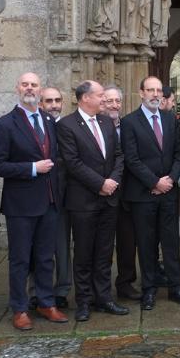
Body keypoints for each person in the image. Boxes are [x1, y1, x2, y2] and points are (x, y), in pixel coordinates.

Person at [0, 73, 68, 330]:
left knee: (46, 257)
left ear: (40, 89)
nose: (30, 88)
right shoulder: (4, 124)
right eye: (25, 84)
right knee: (20, 259)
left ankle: (46, 302)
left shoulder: (49, 120)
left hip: (49, 202)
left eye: (34, 84)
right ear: (17, 88)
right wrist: (32, 168)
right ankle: (20, 308)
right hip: (21, 205)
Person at [57, 80, 128, 321]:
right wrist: (100, 184)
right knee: (84, 253)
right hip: (83, 201)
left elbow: (119, 156)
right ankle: (84, 301)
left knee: (105, 252)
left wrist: (113, 181)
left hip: (109, 199)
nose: (104, 100)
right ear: (85, 98)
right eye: (100, 96)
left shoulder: (107, 122)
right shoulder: (67, 125)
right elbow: (72, 162)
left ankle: (104, 298)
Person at [120, 76, 180, 310]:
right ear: (141, 93)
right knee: (146, 243)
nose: (155, 94)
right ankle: (149, 289)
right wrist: (154, 182)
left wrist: (170, 179)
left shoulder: (170, 120)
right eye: (150, 90)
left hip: (168, 193)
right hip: (143, 194)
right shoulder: (129, 122)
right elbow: (131, 159)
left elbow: (179, 154)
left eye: (158, 90)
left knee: (171, 242)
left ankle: (175, 287)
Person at [27, 87, 71, 309]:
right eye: (49, 101)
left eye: (57, 100)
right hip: (37, 196)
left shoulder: (68, 126)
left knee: (61, 245)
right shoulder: (34, 126)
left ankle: (62, 289)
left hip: (64, 195)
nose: (54, 105)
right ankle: (36, 290)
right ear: (41, 103)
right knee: (37, 247)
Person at [103, 85, 141, 302]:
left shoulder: (128, 125)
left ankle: (125, 283)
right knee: (103, 246)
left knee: (128, 244)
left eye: (117, 101)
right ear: (101, 103)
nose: (114, 105)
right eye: (109, 101)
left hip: (127, 195)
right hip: (101, 194)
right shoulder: (95, 125)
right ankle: (101, 287)